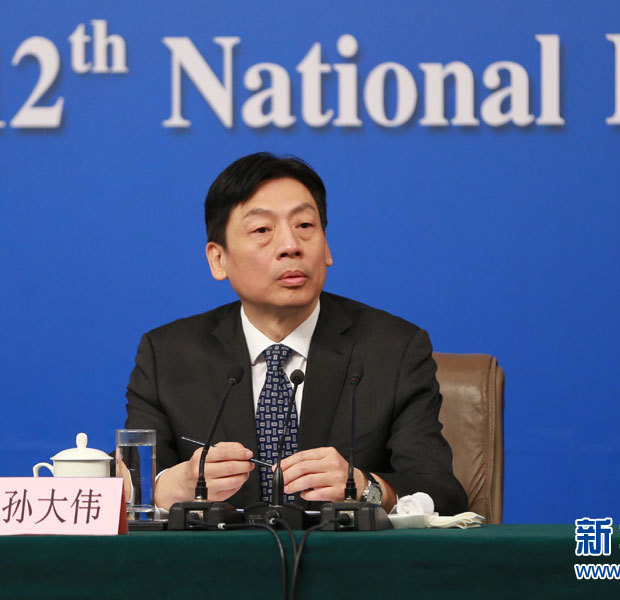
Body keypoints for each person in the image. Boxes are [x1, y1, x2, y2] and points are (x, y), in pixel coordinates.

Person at [125, 152, 467, 515]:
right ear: (218, 259)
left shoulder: (393, 349)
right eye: (262, 230)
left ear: (327, 247)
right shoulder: (167, 356)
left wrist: (367, 489)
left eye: (305, 225)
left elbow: (441, 491)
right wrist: (168, 487)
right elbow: (130, 487)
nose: (291, 245)